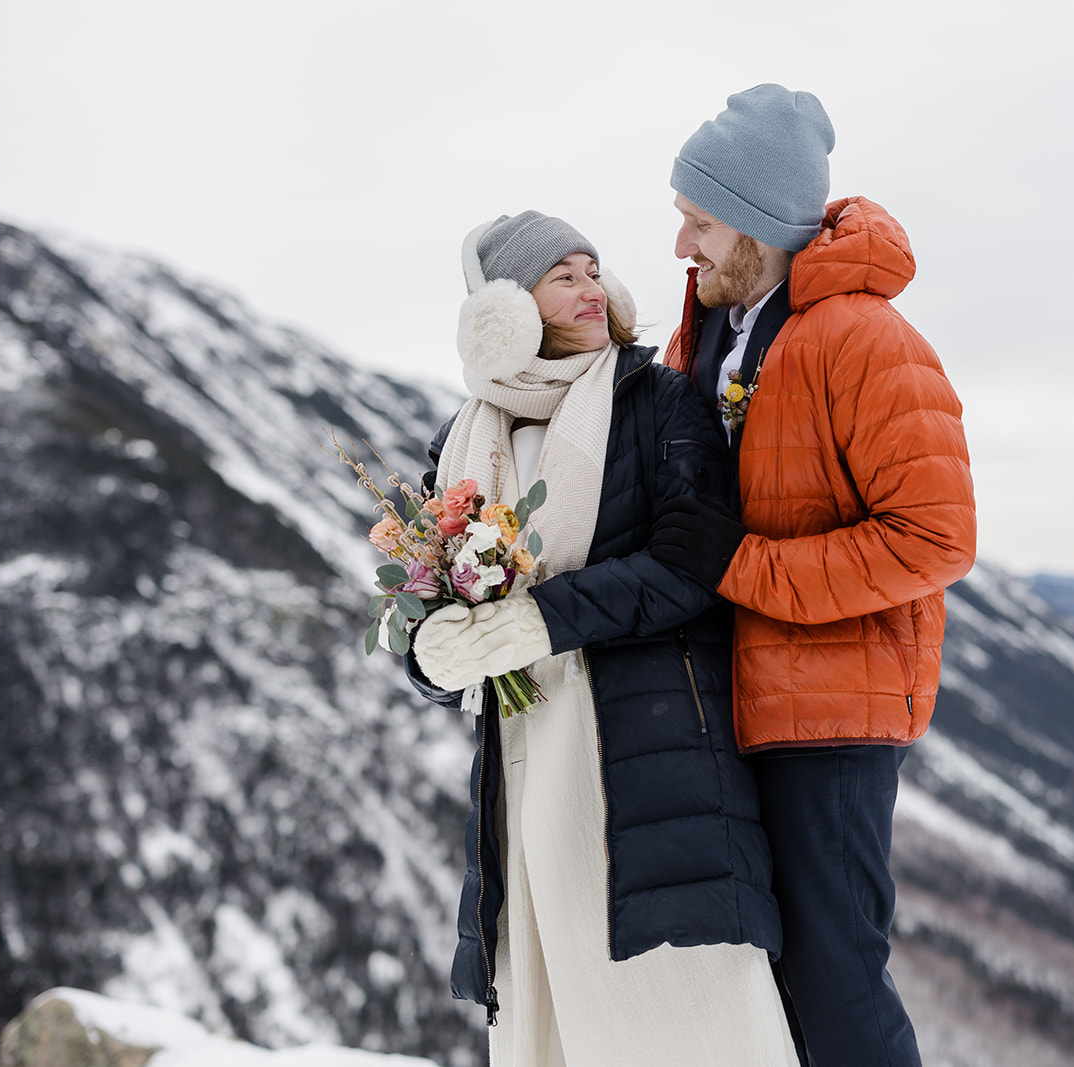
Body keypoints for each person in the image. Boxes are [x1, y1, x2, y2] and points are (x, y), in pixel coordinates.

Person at [404, 210, 800, 1067]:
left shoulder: (658, 401)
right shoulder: (462, 440)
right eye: (562, 276)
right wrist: (430, 657)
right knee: (559, 1010)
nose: (590, 289)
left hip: (649, 749)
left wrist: (532, 621)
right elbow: (427, 596)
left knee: (684, 1008)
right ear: (506, 309)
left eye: (593, 270)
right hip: (523, 755)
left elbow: (690, 568)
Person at [648, 86, 978, 1067]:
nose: (680, 247)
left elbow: (932, 538)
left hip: (830, 719)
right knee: (753, 976)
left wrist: (744, 566)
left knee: (832, 977)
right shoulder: (709, 335)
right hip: (725, 700)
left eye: (697, 221)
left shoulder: (865, 340)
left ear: (754, 220)